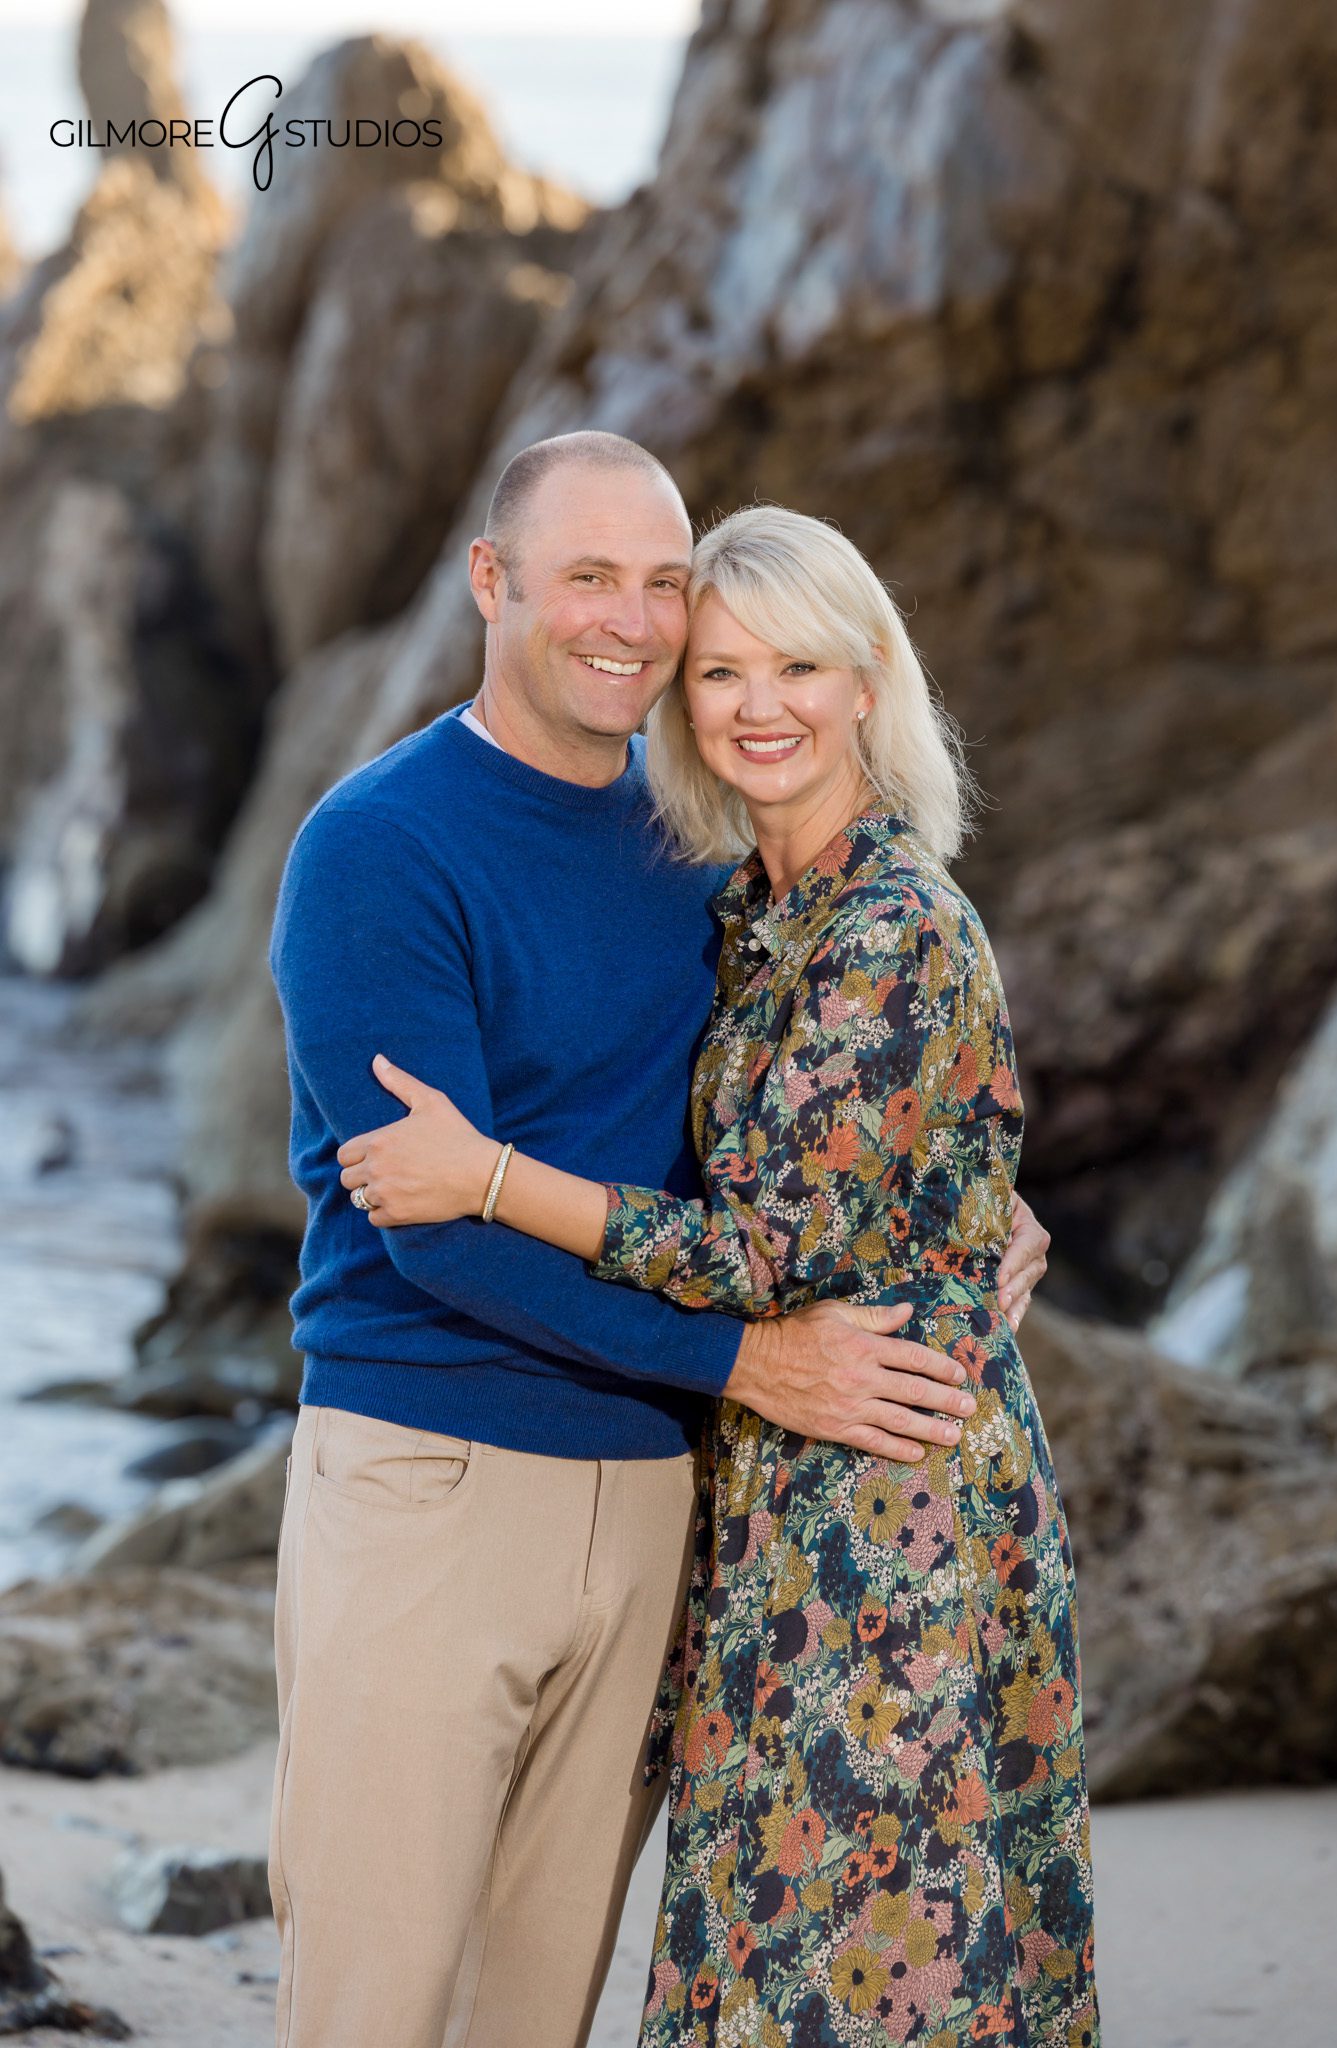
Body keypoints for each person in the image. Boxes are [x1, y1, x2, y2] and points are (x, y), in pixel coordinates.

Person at [268, 433, 1051, 2048]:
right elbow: (434, 1234)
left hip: (663, 1496)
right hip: (435, 1476)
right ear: (491, 581)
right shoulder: (377, 847)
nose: (629, 621)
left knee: (538, 2004)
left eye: (659, 584)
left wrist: (967, 1214)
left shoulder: (701, 843)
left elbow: (809, 1124)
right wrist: (748, 1360)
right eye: (586, 577)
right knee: (375, 1997)